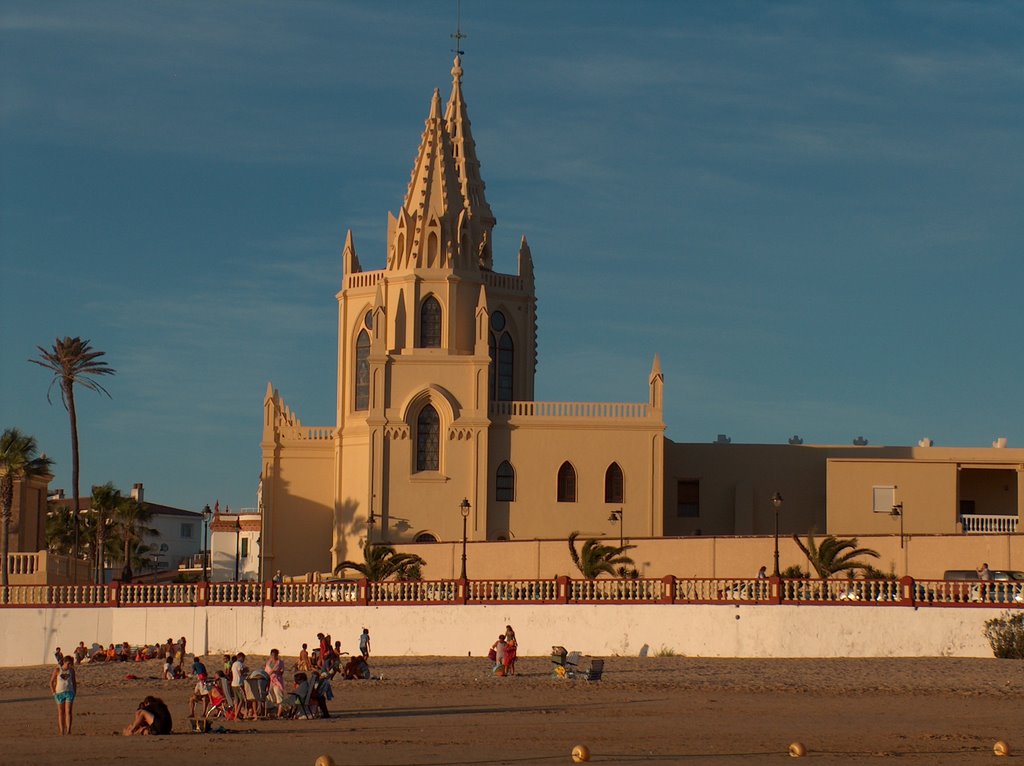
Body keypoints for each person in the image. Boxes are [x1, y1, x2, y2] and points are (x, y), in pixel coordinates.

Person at [49, 655, 76, 735]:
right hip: (59, 693)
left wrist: (74, 692)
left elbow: (74, 682)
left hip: (69, 692)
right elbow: (51, 682)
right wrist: (53, 692)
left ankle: (68, 730)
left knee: (68, 711)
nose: (69, 665)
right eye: (68, 663)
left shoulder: (71, 671)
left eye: (70, 664)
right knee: (61, 712)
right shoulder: (57, 670)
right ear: (64, 662)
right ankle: (61, 731)